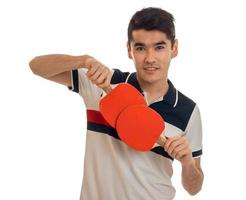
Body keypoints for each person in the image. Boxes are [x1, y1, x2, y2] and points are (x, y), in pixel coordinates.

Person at [29, 7, 203, 200]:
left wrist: (188, 163)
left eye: (159, 47)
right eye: (140, 48)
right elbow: (36, 66)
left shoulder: (189, 111)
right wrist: (83, 61)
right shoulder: (102, 81)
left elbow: (193, 188)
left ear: (174, 48)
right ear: (129, 49)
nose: (150, 58)